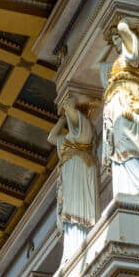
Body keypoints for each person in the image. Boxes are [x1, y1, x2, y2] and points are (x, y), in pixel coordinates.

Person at [101, 20, 139, 198]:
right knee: (119, 146)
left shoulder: (135, 53)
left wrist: (121, 26)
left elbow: (122, 27)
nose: (115, 44)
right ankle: (130, 188)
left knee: (128, 142)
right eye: (113, 41)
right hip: (118, 101)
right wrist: (112, 42)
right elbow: (100, 66)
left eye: (116, 39)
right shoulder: (118, 63)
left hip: (130, 101)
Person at [47, 94, 97, 262]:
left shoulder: (84, 132)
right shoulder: (68, 138)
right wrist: (62, 119)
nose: (69, 118)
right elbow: (51, 138)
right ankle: (72, 248)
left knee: (76, 209)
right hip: (69, 173)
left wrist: (78, 102)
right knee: (69, 209)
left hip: (78, 170)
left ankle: (77, 245)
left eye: (71, 116)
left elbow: (69, 105)